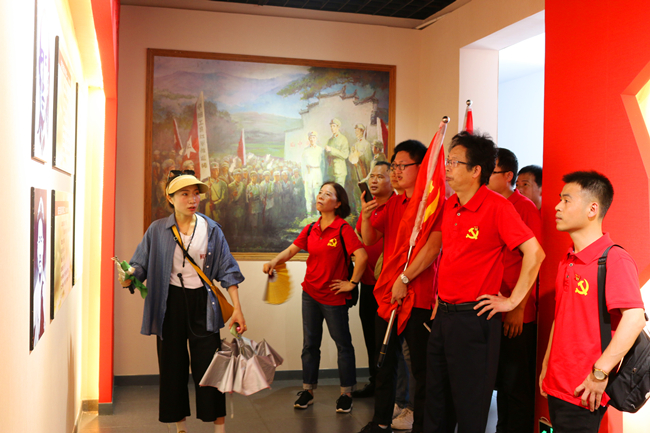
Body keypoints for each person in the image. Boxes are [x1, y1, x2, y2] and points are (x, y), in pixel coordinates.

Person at [424, 132, 545, 433]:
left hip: (474, 319)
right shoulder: (450, 205)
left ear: (476, 170)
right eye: (448, 160)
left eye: (455, 162)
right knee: (436, 403)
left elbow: (535, 253)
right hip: (444, 317)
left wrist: (513, 302)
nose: (447, 167)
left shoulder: (497, 206)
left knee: (470, 407)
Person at [121, 170, 246, 433]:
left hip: (203, 302)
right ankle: (180, 428)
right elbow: (139, 264)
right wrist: (129, 275)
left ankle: (219, 428)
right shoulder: (158, 230)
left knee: (211, 366)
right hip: (169, 304)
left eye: (196, 193)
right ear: (170, 198)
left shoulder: (211, 229)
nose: (192, 199)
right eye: (185, 194)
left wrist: (237, 309)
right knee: (172, 367)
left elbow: (228, 269)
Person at [540, 171, 646, 433]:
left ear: (592, 209)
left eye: (566, 200)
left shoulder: (614, 259)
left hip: (585, 390)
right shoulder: (567, 259)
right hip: (556, 385)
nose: (557, 206)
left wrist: (599, 374)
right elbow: (560, 317)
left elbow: (634, 319)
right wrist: (546, 366)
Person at [359, 140, 444, 433]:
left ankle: (421, 424)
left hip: (418, 295)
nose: (395, 171)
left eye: (401, 166)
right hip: (388, 294)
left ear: (421, 168)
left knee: (420, 367)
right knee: (384, 362)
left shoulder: (432, 204)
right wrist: (366, 216)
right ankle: (380, 420)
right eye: (393, 166)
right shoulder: (394, 202)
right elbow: (370, 239)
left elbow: (432, 248)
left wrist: (405, 279)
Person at [263, 182, 368, 413]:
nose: (320, 196)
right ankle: (308, 391)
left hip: (334, 297)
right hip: (310, 294)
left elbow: (361, 256)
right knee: (310, 344)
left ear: (338, 203)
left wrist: (352, 283)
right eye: (320, 192)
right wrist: (274, 261)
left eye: (327, 194)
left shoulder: (343, 228)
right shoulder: (312, 227)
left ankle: (346, 393)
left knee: (343, 345)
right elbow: (292, 250)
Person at [487, 148, 542, 433]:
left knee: (516, 386)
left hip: (517, 309)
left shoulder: (525, 208)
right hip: (493, 306)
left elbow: (534, 261)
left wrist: (518, 307)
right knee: (501, 385)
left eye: (491, 171)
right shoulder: (488, 204)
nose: (484, 175)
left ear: (508, 175)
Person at [353, 161, 394, 399]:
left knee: (385, 340)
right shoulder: (368, 207)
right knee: (370, 336)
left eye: (380, 176)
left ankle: (390, 388)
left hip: (387, 285)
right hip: (368, 282)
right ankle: (375, 382)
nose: (374, 180)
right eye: (372, 176)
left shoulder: (395, 207)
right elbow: (362, 239)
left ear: (392, 180)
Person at [32, 197, 46, 349]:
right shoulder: (36, 288)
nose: (40, 246)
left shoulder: (45, 285)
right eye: (38, 240)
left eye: (42, 240)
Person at [301, 131, 324, 217]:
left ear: (316, 139)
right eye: (310, 138)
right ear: (308, 139)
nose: (312, 139)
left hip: (317, 173)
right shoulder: (305, 150)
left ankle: (318, 214)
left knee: (317, 194)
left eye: (313, 137)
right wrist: (304, 177)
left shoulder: (320, 150)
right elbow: (303, 165)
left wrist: (321, 176)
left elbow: (323, 164)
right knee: (308, 195)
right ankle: (309, 214)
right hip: (308, 173)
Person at [325, 118, 349, 186]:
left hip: (339, 172)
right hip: (331, 172)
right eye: (331, 126)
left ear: (338, 127)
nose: (332, 128)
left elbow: (345, 155)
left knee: (339, 191)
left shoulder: (343, 139)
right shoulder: (330, 140)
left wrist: (332, 150)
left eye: (334, 126)